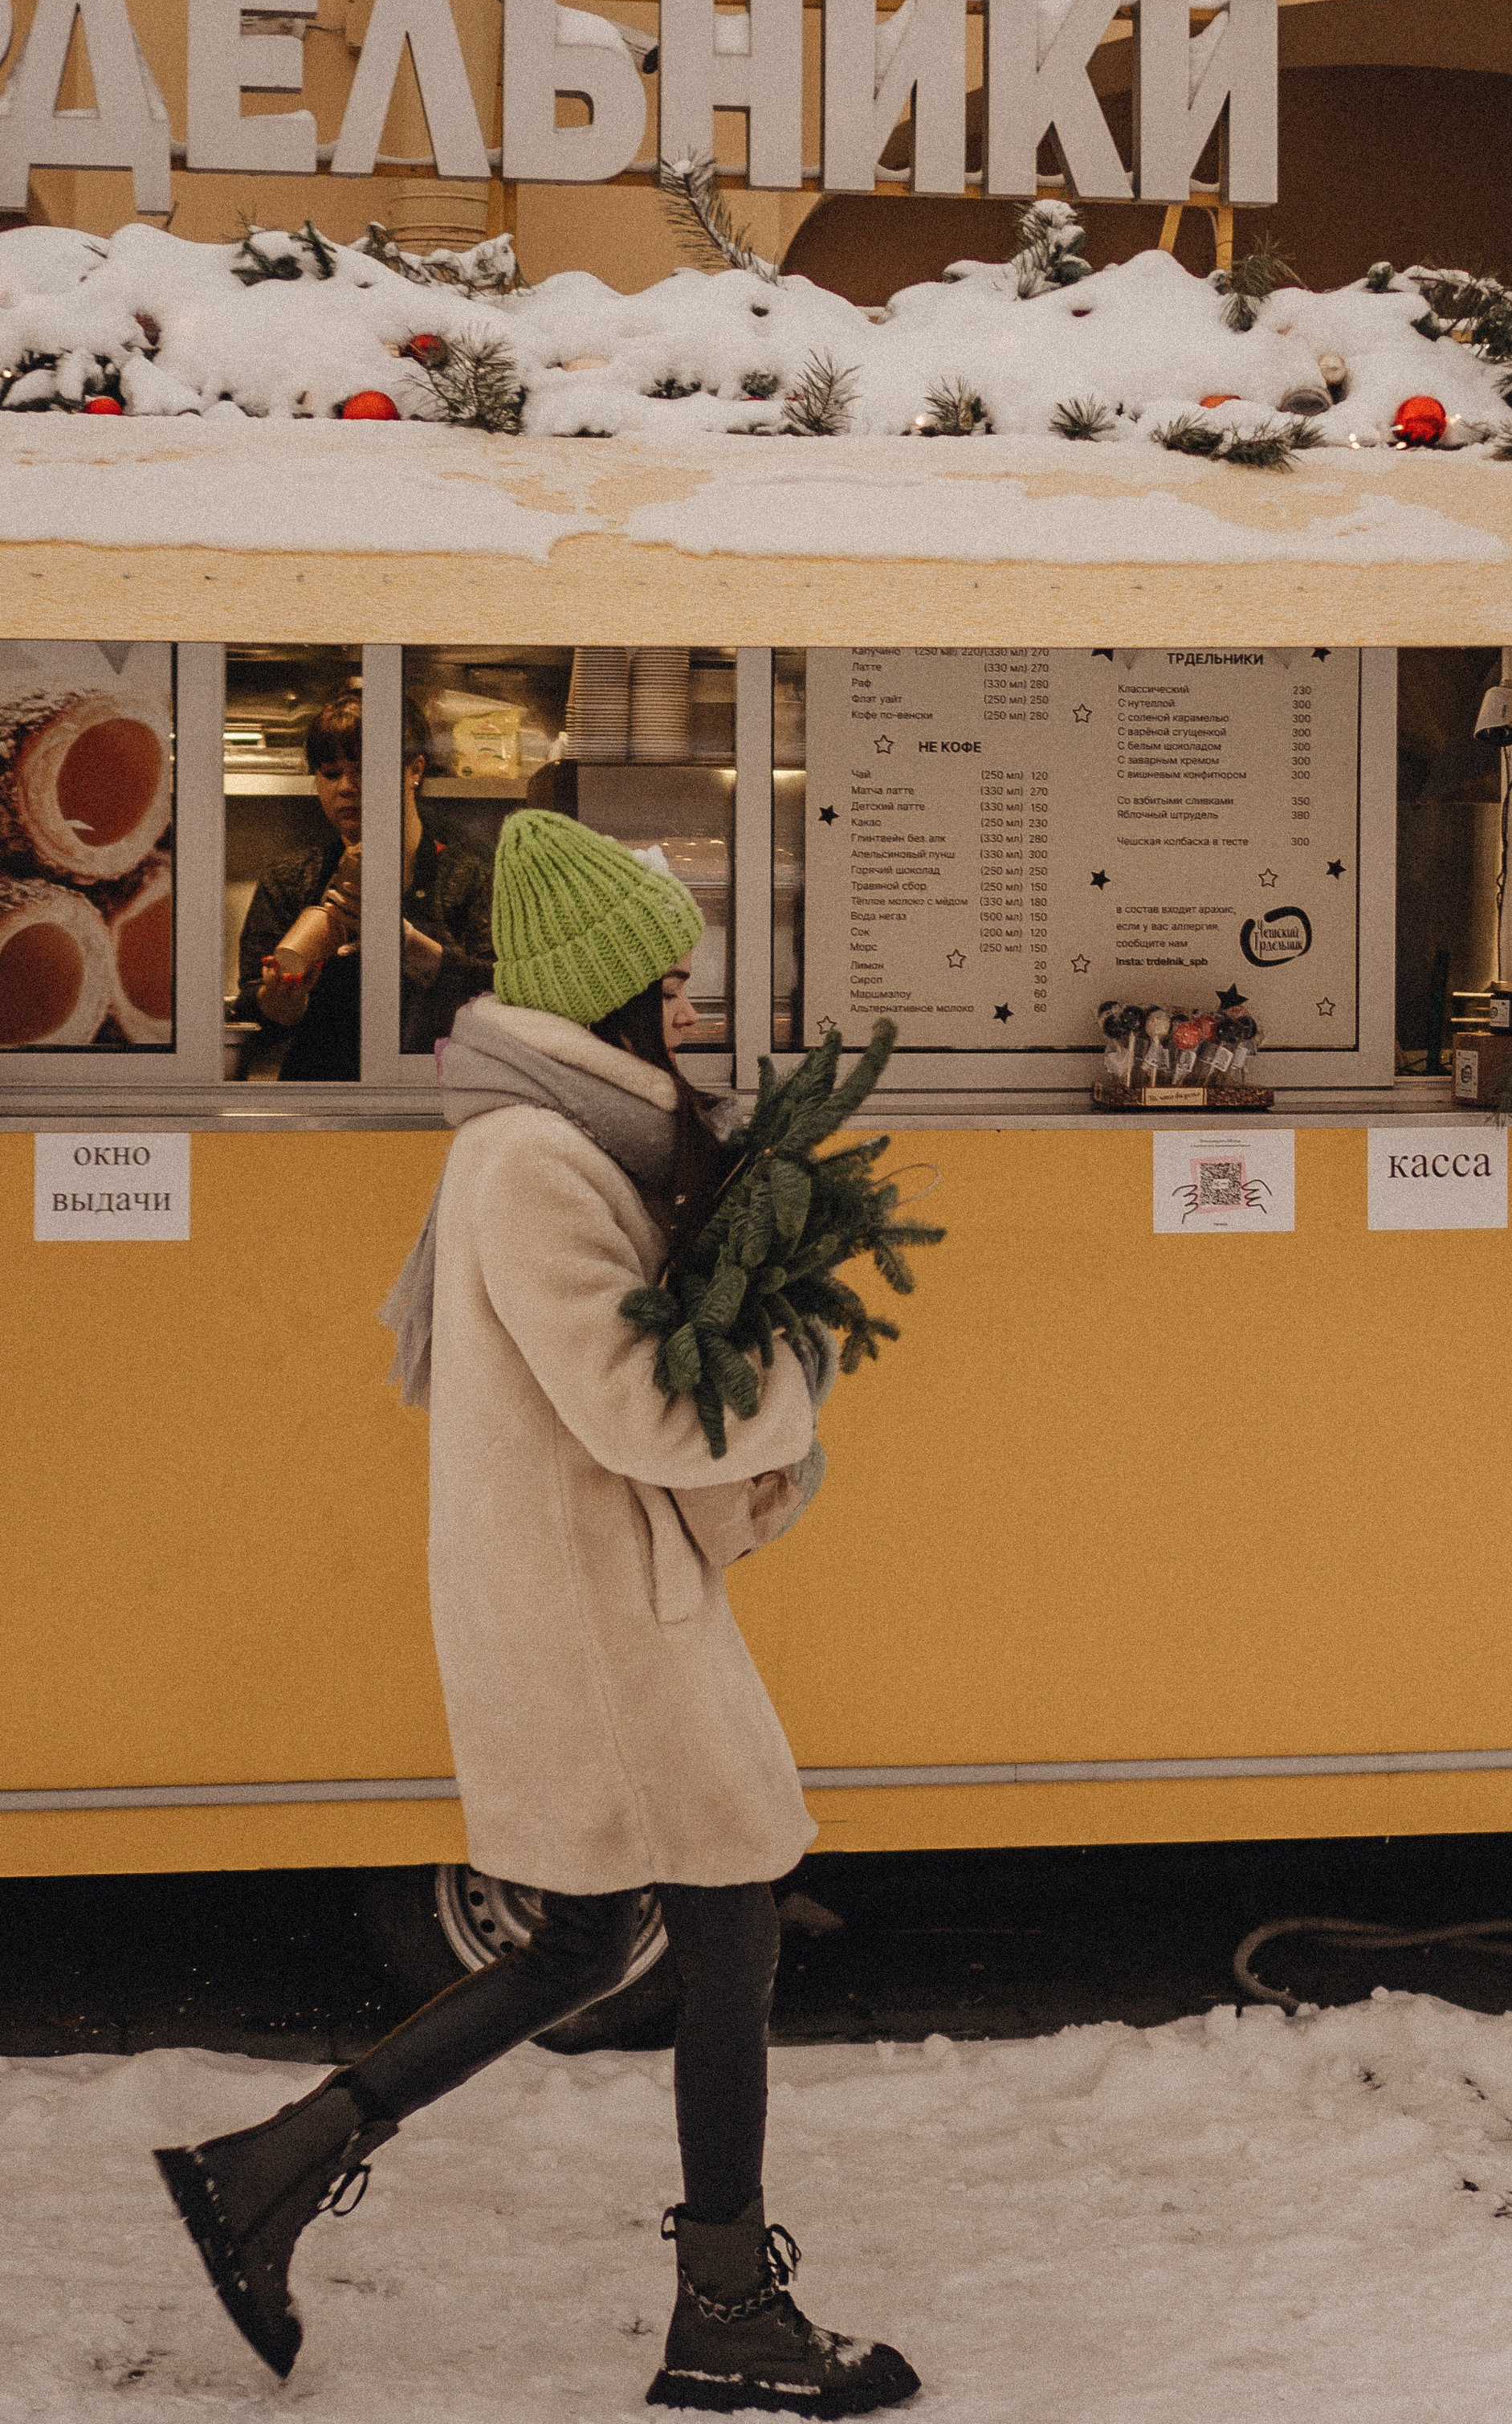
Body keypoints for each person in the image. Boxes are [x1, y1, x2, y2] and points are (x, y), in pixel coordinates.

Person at [158, 812, 919, 2417]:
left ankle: (268, 2172)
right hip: (593, 1610)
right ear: (619, 989)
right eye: (673, 973)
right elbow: (641, 1411)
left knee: (590, 1937)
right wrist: (797, 1367)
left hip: (595, 1593)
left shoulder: (567, 1146)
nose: (693, 998)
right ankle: (724, 2311)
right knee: (724, 1922)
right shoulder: (532, 1163)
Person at [236, 690, 494, 1081]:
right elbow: (254, 1020)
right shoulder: (290, 879)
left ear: (414, 770)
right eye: (331, 773)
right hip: (318, 1104)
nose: (346, 787)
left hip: (442, 1095)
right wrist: (281, 1000)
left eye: (363, 769)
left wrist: (407, 942)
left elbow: (500, 995)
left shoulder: (469, 876)